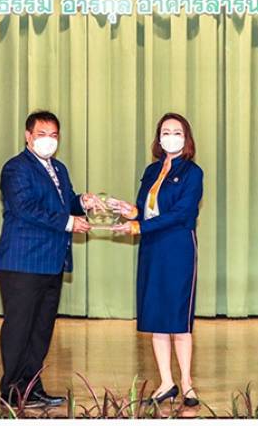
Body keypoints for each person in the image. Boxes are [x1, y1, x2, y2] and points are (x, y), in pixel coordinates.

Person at [0, 110, 104, 408]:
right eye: (42, 134)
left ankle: (32, 387)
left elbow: (64, 203)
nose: (48, 140)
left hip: (51, 263)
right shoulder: (16, 169)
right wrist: (69, 222)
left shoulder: (59, 168)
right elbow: (25, 208)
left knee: (41, 330)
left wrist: (82, 202)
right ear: (28, 136)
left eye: (53, 135)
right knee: (19, 328)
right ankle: (11, 391)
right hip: (22, 263)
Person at [111, 113, 204, 407]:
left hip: (177, 247)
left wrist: (140, 226)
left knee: (179, 319)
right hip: (152, 247)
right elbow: (145, 208)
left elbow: (181, 214)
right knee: (157, 316)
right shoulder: (152, 170)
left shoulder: (192, 172)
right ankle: (166, 382)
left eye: (177, 132)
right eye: (166, 132)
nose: (171, 136)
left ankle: (187, 383)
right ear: (158, 137)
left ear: (186, 138)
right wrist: (130, 211)